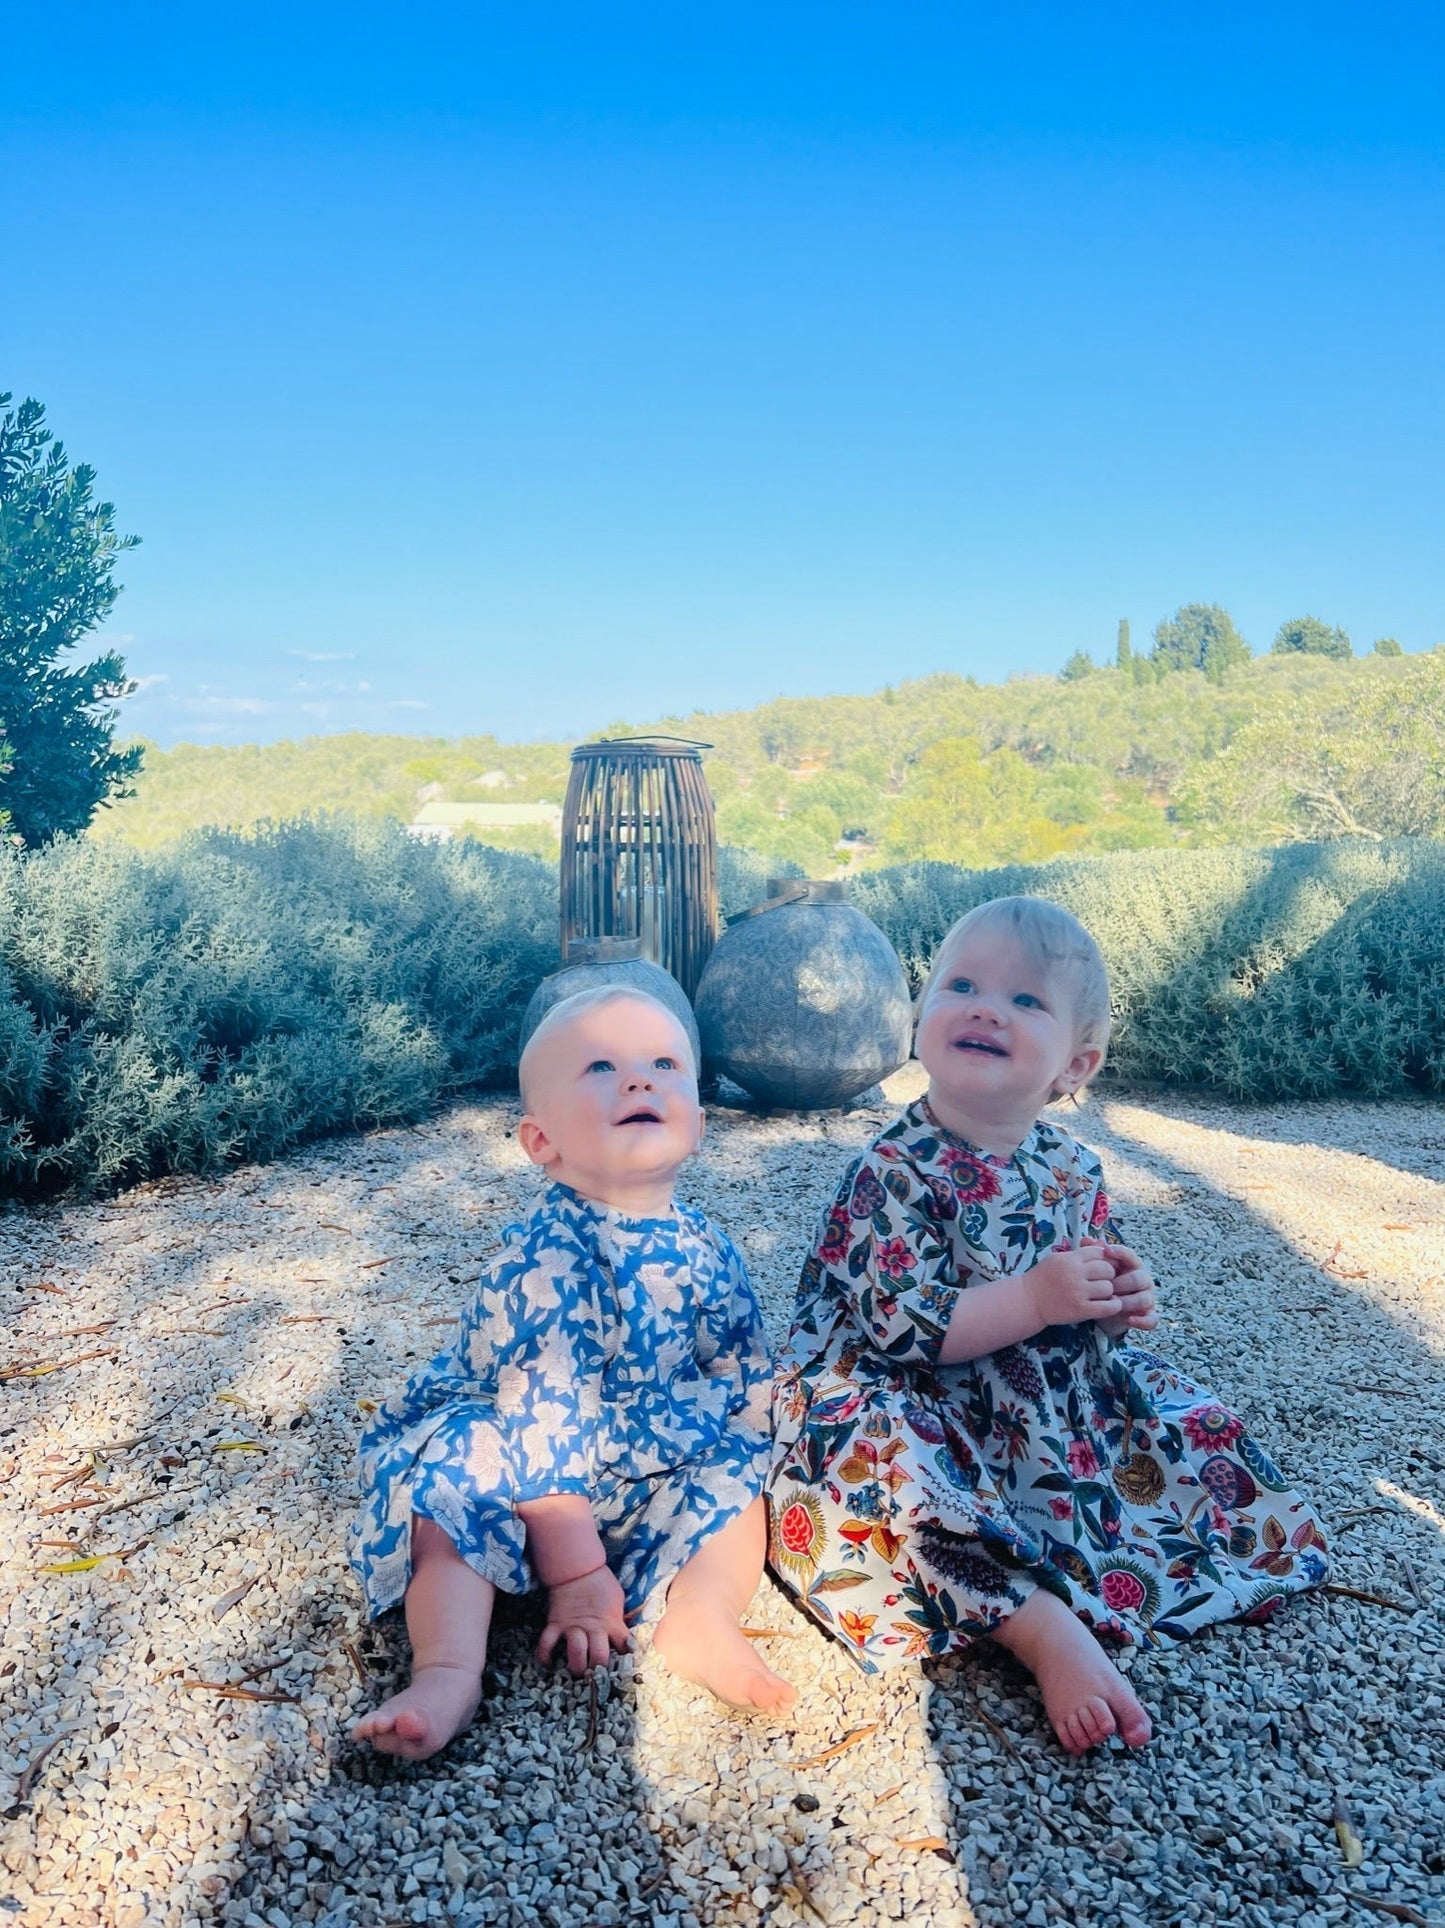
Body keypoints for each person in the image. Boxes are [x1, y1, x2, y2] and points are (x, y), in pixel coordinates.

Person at [766, 896, 1328, 1755]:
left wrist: (1116, 1303)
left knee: (1180, 1426)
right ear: (921, 1022)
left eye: (1026, 1001)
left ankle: (1113, 1558)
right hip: (907, 1390)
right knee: (881, 1481)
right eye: (961, 985)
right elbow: (903, 1335)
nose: (986, 1007)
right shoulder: (891, 1169)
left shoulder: (1071, 1167)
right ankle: (1034, 1624)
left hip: (1032, 1401)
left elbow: (1083, 1288)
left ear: (1074, 1065)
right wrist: (1034, 1298)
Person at [350, 986, 795, 1760]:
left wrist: (774, 1433)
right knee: (456, 1473)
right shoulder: (549, 1255)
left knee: (737, 1466)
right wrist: (579, 1575)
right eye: (601, 1066)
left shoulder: (705, 1244)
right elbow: (540, 1416)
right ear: (539, 1142)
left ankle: (701, 1613)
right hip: (524, 1459)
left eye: (663, 1063)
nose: (638, 1080)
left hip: (636, 1455)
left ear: (696, 1123)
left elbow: (737, 1362)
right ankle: (448, 1668)